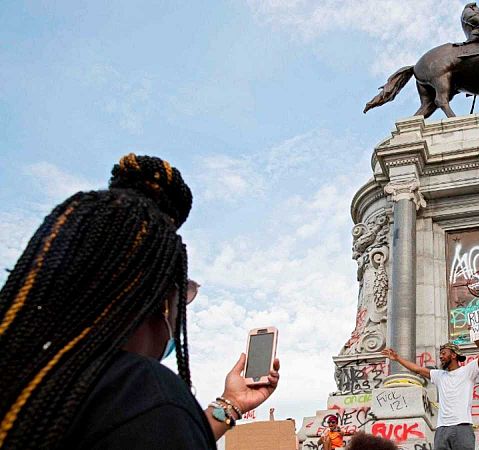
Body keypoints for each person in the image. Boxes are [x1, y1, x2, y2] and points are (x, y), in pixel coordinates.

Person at [0, 154, 280, 449]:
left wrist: (232, 403)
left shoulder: (27, 380)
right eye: (184, 295)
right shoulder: (146, 396)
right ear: (161, 301)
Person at [382, 310, 479, 450]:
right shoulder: (439, 375)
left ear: (453, 355)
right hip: (442, 430)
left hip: (462, 428)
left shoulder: (468, 371)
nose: (441, 356)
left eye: (443, 353)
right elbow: (417, 369)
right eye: (440, 354)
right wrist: (398, 358)